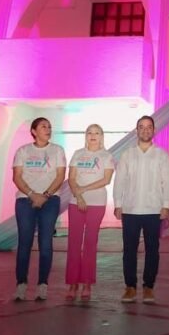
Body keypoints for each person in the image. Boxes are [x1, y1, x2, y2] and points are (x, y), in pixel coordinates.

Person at [113, 115, 169, 304]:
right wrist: (117, 204)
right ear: (136, 130)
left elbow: (168, 181)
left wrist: (166, 205)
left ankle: (148, 287)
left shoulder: (162, 155)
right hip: (130, 209)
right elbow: (120, 180)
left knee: (152, 250)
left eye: (149, 127)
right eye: (141, 127)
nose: (145, 130)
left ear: (154, 130)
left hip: (154, 209)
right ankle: (130, 287)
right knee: (129, 250)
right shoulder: (127, 155)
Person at [11, 117, 66, 302]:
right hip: (25, 200)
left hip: (50, 200)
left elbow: (60, 176)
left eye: (49, 127)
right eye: (43, 126)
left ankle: (43, 284)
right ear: (34, 131)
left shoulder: (57, 150)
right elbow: (17, 177)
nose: (48, 129)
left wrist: (45, 195)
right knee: (24, 242)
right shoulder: (23, 151)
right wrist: (32, 194)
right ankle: (21, 284)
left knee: (45, 243)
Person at [65, 124, 114, 302]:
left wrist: (83, 190)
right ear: (86, 136)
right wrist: (78, 196)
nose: (93, 135)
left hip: (97, 203)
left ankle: (87, 283)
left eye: (97, 133)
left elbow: (106, 180)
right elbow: (71, 178)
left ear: (101, 136)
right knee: (74, 242)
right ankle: (72, 283)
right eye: (90, 132)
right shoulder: (78, 154)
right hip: (76, 202)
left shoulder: (107, 156)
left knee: (90, 243)